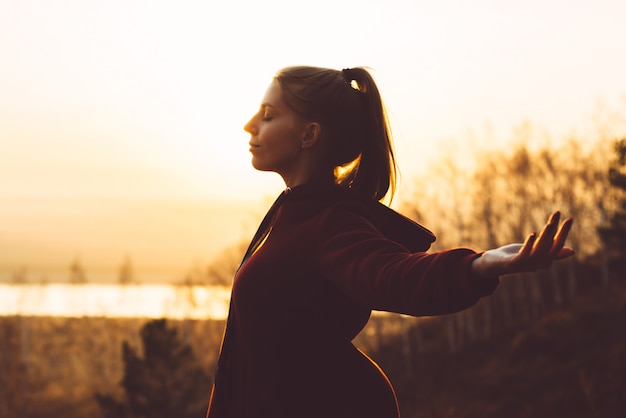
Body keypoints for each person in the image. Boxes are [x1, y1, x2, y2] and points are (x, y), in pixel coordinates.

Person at [206, 66, 574, 418]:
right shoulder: (295, 215)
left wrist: (478, 265)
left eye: (268, 115)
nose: (249, 125)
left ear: (308, 135)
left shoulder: (331, 223)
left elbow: (393, 275)